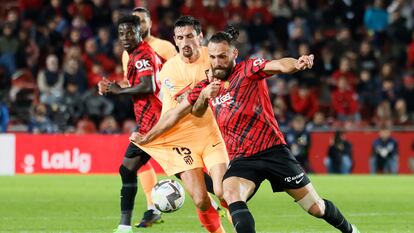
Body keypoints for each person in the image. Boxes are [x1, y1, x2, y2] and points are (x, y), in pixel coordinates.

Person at [131, 27, 360, 233]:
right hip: (242, 160)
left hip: (273, 152)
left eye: (222, 56)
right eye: (212, 57)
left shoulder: (249, 70)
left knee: (316, 208)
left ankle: (350, 230)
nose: (217, 62)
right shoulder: (207, 84)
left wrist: (297, 64)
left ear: (233, 55)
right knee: (229, 193)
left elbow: (279, 64)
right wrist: (150, 135)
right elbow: (185, 112)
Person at [131, 16, 229, 233]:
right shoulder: (170, 71)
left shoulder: (212, 57)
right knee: (201, 200)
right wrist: (148, 138)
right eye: (180, 38)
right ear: (175, 41)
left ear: (200, 37)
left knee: (224, 192)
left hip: (209, 134)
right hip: (180, 137)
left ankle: (239, 221)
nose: (185, 42)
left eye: (190, 36)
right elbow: (182, 111)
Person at [98, 15, 163, 233]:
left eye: (129, 32)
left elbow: (148, 85)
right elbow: (139, 83)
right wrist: (115, 86)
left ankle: (225, 199)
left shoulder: (143, 53)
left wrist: (119, 91)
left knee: (191, 176)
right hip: (148, 125)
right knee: (127, 169)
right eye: (121, 33)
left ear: (139, 32)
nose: (125, 37)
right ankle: (124, 226)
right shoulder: (133, 54)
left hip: (159, 126)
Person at [120, 7, 177, 228]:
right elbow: (134, 83)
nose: (138, 25)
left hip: (168, 114)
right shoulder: (128, 52)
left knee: (186, 168)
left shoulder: (163, 47)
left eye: (141, 21)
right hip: (146, 115)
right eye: (135, 22)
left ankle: (217, 202)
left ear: (150, 23)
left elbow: (177, 75)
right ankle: (152, 207)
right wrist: (116, 88)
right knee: (134, 165)